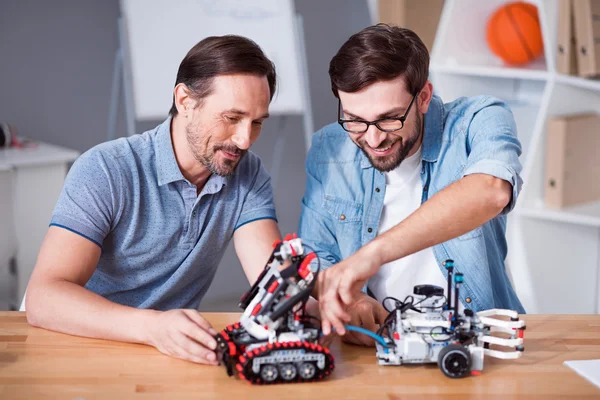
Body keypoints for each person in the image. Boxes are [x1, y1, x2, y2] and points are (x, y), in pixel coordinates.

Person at [25, 35, 284, 365]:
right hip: (80, 345)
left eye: (257, 122)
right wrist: (152, 327)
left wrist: (326, 306)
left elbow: (273, 283)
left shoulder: (248, 173)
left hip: (166, 352)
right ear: (185, 100)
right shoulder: (106, 169)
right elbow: (44, 298)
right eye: (232, 118)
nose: (245, 139)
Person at [298, 24, 526, 343]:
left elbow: (491, 191)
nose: (373, 138)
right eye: (354, 120)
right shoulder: (327, 147)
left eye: (389, 118)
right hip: (379, 342)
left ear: (423, 97)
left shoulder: (480, 118)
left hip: (482, 342)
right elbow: (314, 252)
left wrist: (373, 254)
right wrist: (349, 299)